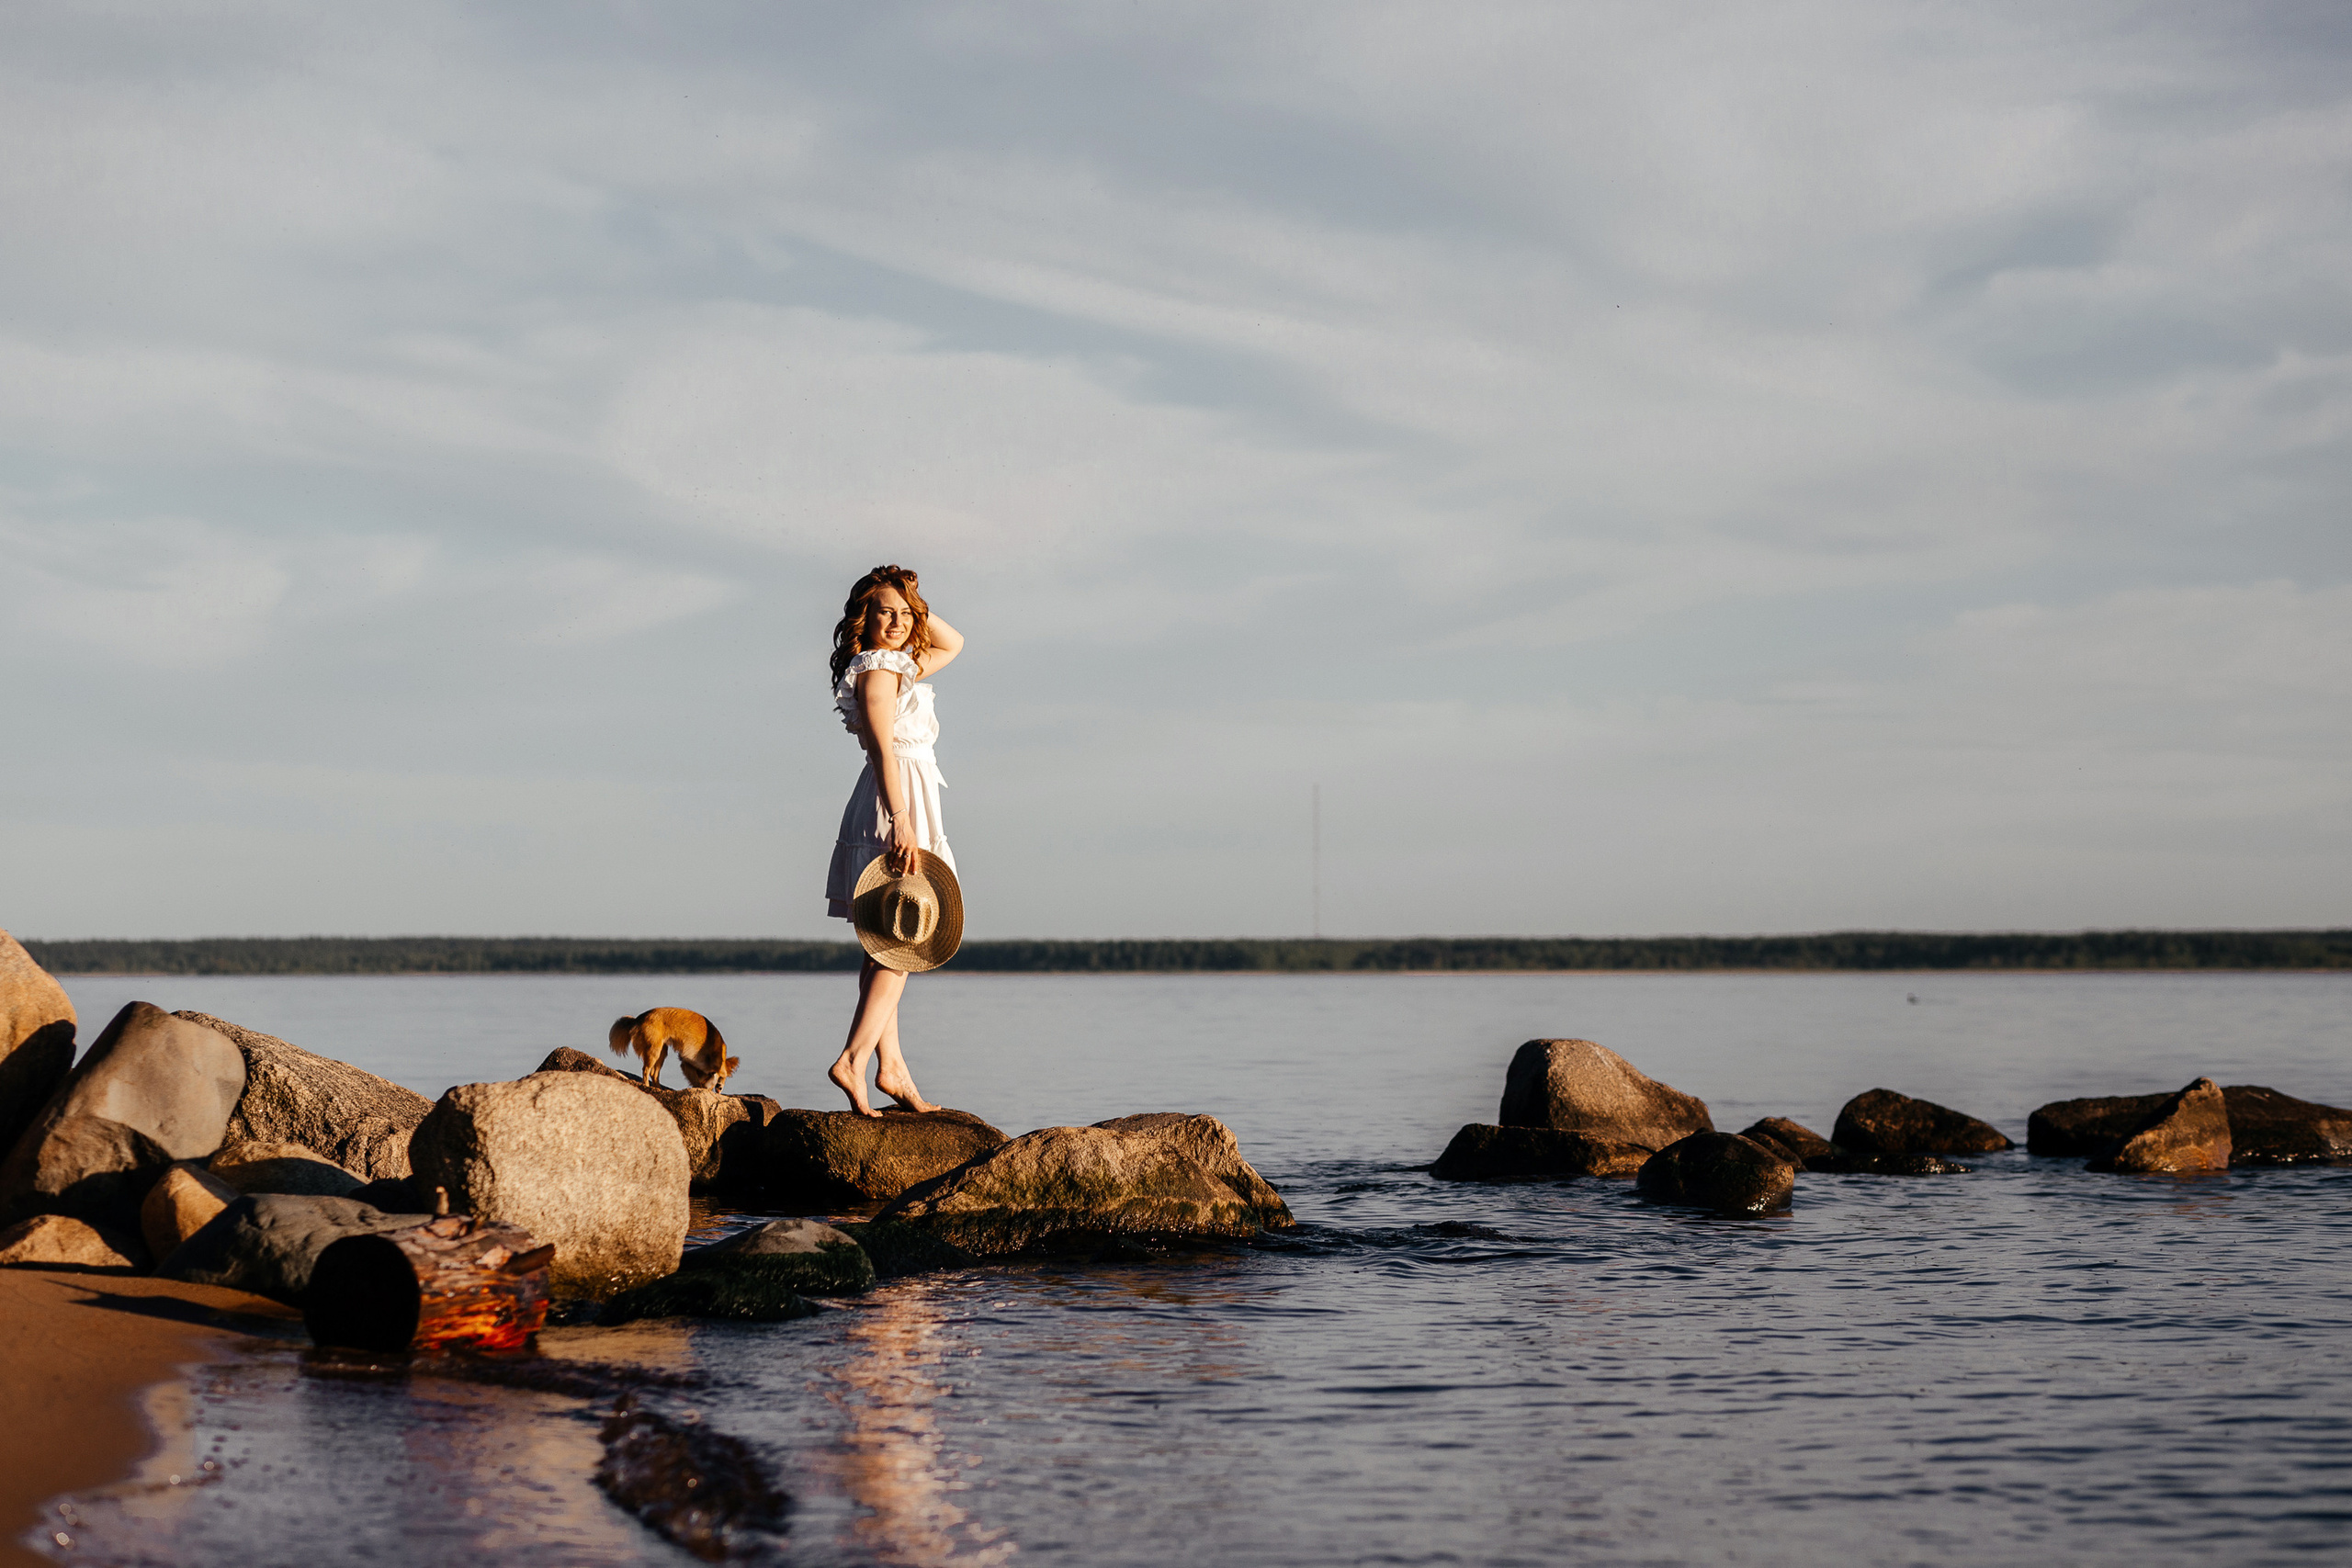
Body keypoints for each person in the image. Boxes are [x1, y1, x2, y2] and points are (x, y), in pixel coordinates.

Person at [823, 564, 964, 1118]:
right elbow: (883, 749)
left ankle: (892, 1067)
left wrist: (909, 596)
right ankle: (854, 1060)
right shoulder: (879, 671)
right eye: (886, 611)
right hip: (895, 805)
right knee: (905, 940)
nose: (900, 622)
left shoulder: (897, 664)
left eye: (907, 615)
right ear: (864, 616)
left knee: (885, 942)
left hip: (903, 799)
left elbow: (954, 643)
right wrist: (902, 819)